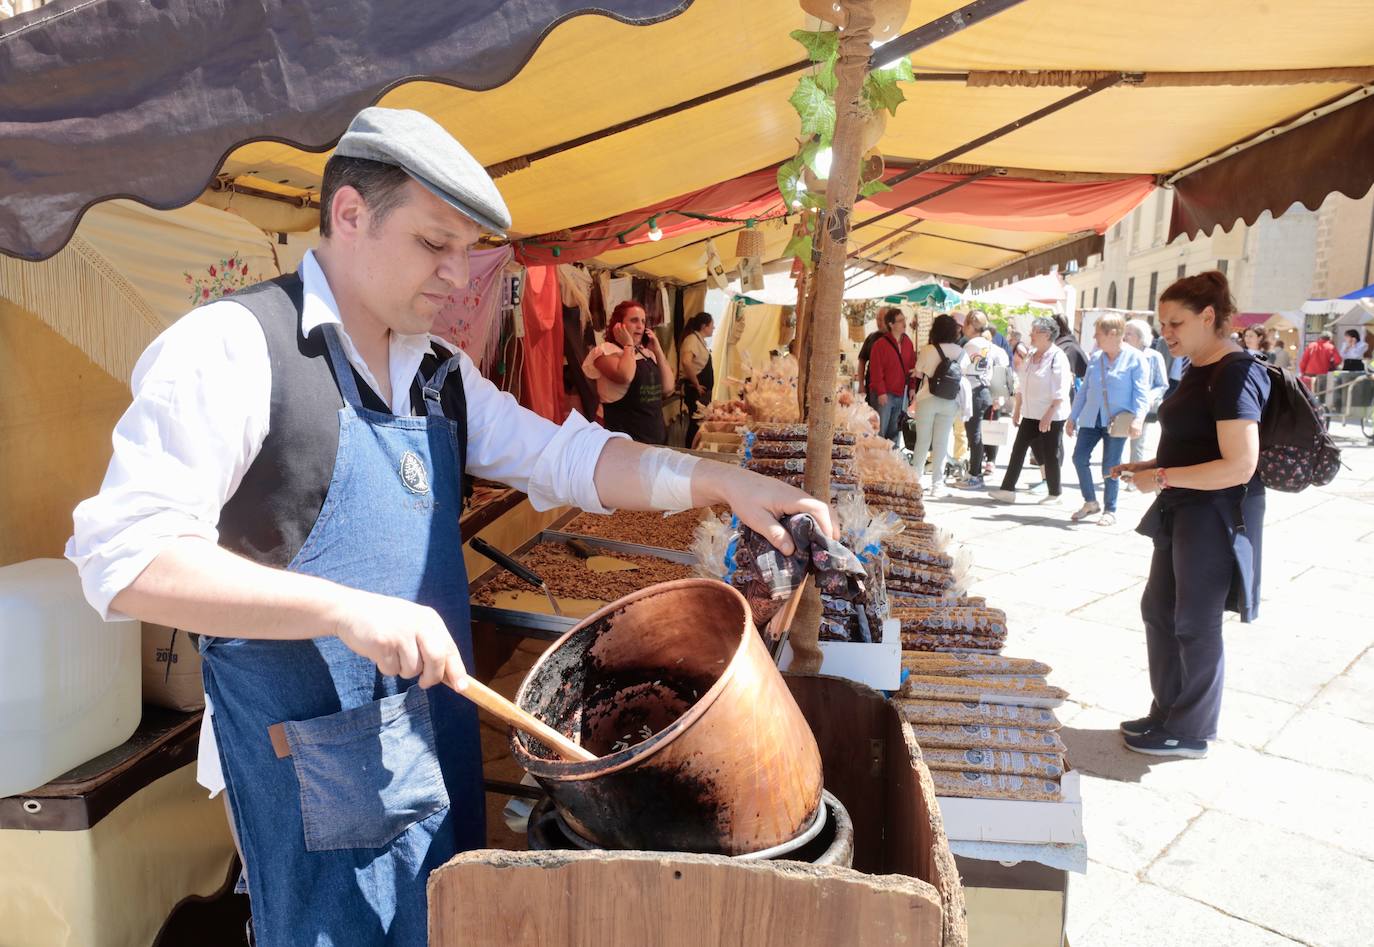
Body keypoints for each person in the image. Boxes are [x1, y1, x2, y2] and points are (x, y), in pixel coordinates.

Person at [64, 107, 833, 947]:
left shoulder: (437, 372)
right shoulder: (232, 349)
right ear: (350, 214)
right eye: (436, 245)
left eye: (468, 250)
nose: (460, 277)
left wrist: (722, 480)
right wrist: (347, 610)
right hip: (316, 785)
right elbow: (125, 557)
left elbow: (569, 458)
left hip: (434, 748)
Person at [1111, 270, 1270, 758]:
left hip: (1216, 513)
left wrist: (1159, 478)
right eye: (1163, 323)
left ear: (1209, 317)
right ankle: (1169, 711)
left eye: (1176, 322)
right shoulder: (1197, 368)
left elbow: (1240, 465)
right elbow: (1195, 445)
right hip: (1185, 506)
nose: (1167, 333)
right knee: (1159, 610)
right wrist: (1149, 465)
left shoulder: (1237, 371)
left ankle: (1193, 729)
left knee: (1194, 622)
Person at [1066, 314, 1149, 526]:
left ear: (1113, 334)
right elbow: (1084, 390)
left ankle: (1110, 509)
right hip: (1092, 418)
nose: (1094, 338)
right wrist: (1073, 416)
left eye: (1098, 334)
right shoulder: (1096, 357)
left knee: (1111, 466)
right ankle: (1090, 502)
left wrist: (1138, 419)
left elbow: (1141, 393)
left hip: (1118, 421)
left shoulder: (1135, 358)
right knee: (1079, 457)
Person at [989, 317, 1071, 504]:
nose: (1031, 335)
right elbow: (1021, 384)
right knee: (1018, 450)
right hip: (1030, 413)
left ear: (1047, 335)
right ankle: (1008, 489)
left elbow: (1061, 390)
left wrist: (1049, 415)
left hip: (1051, 414)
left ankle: (1055, 492)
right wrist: (1017, 409)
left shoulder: (1058, 357)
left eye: (1035, 331)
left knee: (1051, 453)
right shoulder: (1031, 354)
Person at [583, 299, 676, 444]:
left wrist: (658, 351)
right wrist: (628, 345)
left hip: (657, 438)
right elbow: (625, 376)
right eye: (634, 320)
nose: (640, 326)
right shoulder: (604, 352)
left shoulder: (648, 354)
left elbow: (669, 388)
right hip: (625, 443)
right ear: (619, 325)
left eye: (643, 321)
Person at [907, 314, 965, 496]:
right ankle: (937, 485)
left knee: (922, 441)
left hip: (927, 399)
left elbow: (919, 372)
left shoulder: (928, 350)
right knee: (942, 442)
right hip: (950, 401)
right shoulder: (961, 351)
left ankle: (915, 481)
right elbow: (964, 372)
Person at [954, 327, 1010, 489]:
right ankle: (977, 471)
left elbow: (961, 367)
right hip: (986, 393)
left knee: (975, 435)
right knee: (977, 434)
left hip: (975, 393)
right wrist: (1000, 397)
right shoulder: (995, 349)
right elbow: (1002, 372)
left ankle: (975, 474)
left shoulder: (970, 345)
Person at [866, 307, 916, 447]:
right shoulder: (880, 345)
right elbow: (876, 371)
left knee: (895, 431)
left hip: (901, 393)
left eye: (904, 320)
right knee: (880, 431)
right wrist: (881, 392)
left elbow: (912, 367)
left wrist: (912, 388)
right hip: (884, 394)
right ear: (891, 324)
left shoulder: (908, 343)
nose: (904, 324)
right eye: (900, 321)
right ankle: (878, 460)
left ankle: (892, 462)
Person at [1124, 318, 1169, 466]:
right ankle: (1113, 476)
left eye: (1129, 333)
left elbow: (1162, 384)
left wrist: (1148, 397)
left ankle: (1131, 477)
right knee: (1115, 443)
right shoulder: (1122, 354)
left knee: (1137, 443)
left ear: (1140, 336)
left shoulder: (1154, 356)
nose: (1124, 336)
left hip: (1141, 407)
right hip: (1122, 405)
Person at [678, 311, 714, 448]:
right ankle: (690, 452)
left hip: (701, 392)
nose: (713, 328)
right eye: (712, 325)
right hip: (695, 391)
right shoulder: (692, 340)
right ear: (704, 326)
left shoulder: (699, 340)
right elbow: (686, 362)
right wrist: (696, 384)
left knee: (699, 424)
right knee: (695, 424)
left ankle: (696, 449)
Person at [856, 326, 884, 412]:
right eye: (878, 319)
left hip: (890, 389)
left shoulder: (895, 338)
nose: (879, 323)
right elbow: (862, 361)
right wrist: (861, 384)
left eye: (882, 319)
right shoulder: (871, 337)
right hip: (872, 387)